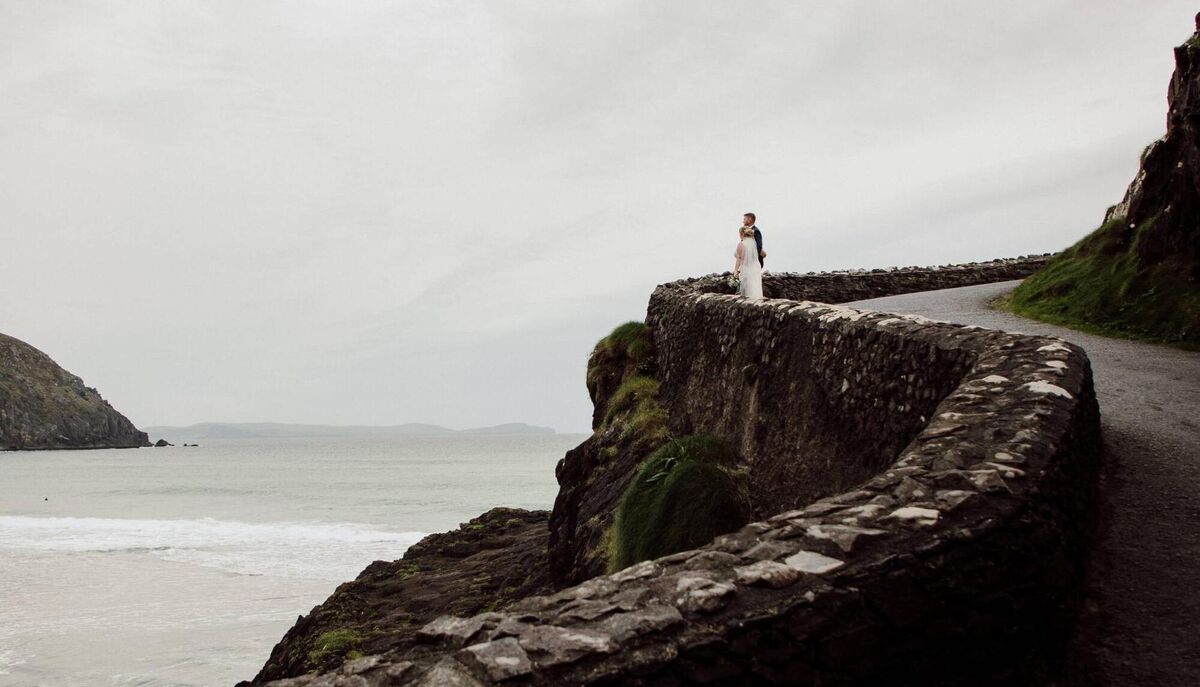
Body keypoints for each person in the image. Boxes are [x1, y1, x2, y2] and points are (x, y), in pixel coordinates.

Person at [733, 224, 764, 300]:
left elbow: (739, 259)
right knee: (754, 289)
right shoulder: (754, 244)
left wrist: (736, 270)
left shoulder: (741, 244)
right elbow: (762, 254)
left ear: (742, 234)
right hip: (755, 269)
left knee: (745, 291)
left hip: (745, 269)